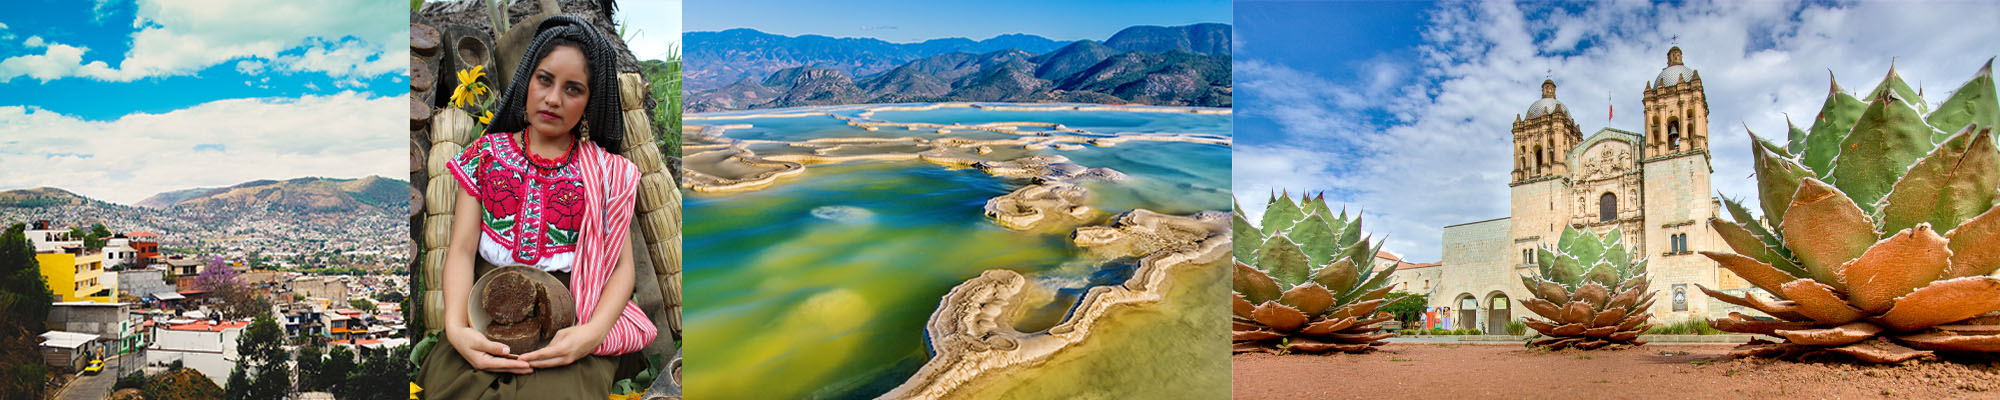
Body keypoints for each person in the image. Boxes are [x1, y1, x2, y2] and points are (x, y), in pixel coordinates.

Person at [417, 15, 655, 399]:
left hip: (574, 320)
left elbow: (621, 270)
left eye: (573, 89)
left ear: (591, 102)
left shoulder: (606, 174)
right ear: (527, 78)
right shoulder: (485, 157)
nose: (553, 98)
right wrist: (457, 330)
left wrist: (588, 336)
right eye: (545, 79)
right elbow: (460, 251)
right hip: (484, 311)